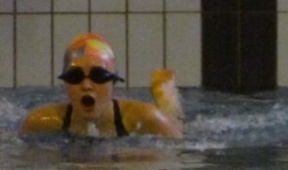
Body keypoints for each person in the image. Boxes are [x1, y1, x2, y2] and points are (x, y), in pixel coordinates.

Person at [20, 33, 182, 139]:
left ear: (113, 82)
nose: (86, 85)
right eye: (75, 77)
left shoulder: (146, 119)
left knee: (169, 118)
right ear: (66, 83)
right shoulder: (40, 122)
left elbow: (177, 148)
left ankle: (165, 94)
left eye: (98, 76)